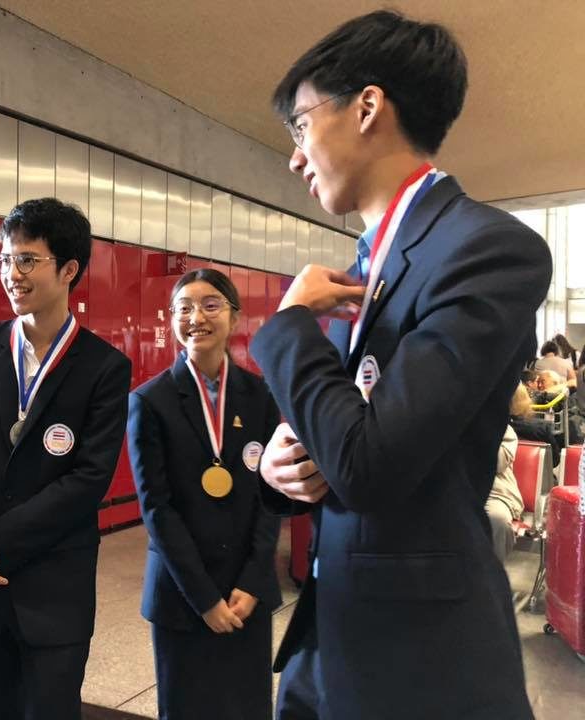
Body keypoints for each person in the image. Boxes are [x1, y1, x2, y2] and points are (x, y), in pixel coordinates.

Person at [248, 11, 551, 719]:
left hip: (421, 661)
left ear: (367, 107)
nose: (295, 157)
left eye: (300, 125)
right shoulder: (359, 271)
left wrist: (288, 326)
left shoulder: (487, 249)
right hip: (329, 637)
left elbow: (369, 465)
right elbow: (337, 432)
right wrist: (282, 472)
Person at [0, 197, 132, 720]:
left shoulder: (104, 367)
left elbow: (88, 480)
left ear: (69, 270)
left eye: (27, 260)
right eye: (4, 259)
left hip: (51, 593)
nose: (11, 273)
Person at [127, 269, 285, 720]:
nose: (196, 317)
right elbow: (157, 508)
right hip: (182, 596)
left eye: (210, 305)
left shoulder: (260, 395)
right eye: (184, 308)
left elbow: (270, 495)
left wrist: (251, 583)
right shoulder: (150, 401)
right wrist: (205, 599)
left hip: (247, 592)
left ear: (234, 317)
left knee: (247, 708)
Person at [486, 423, 522, 564]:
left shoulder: (504, 430)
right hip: (457, 491)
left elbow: (497, 463)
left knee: (496, 520)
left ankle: (490, 573)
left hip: (494, 494)